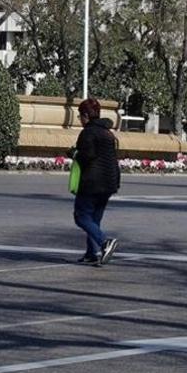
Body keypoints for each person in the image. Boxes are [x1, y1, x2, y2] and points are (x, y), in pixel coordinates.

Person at [71, 98, 121, 266]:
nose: (80, 120)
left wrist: (73, 154)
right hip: (109, 183)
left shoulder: (88, 133)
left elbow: (87, 156)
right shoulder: (108, 133)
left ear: (86, 115)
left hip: (92, 182)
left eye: (80, 116)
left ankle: (104, 242)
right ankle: (91, 252)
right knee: (94, 219)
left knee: (81, 216)